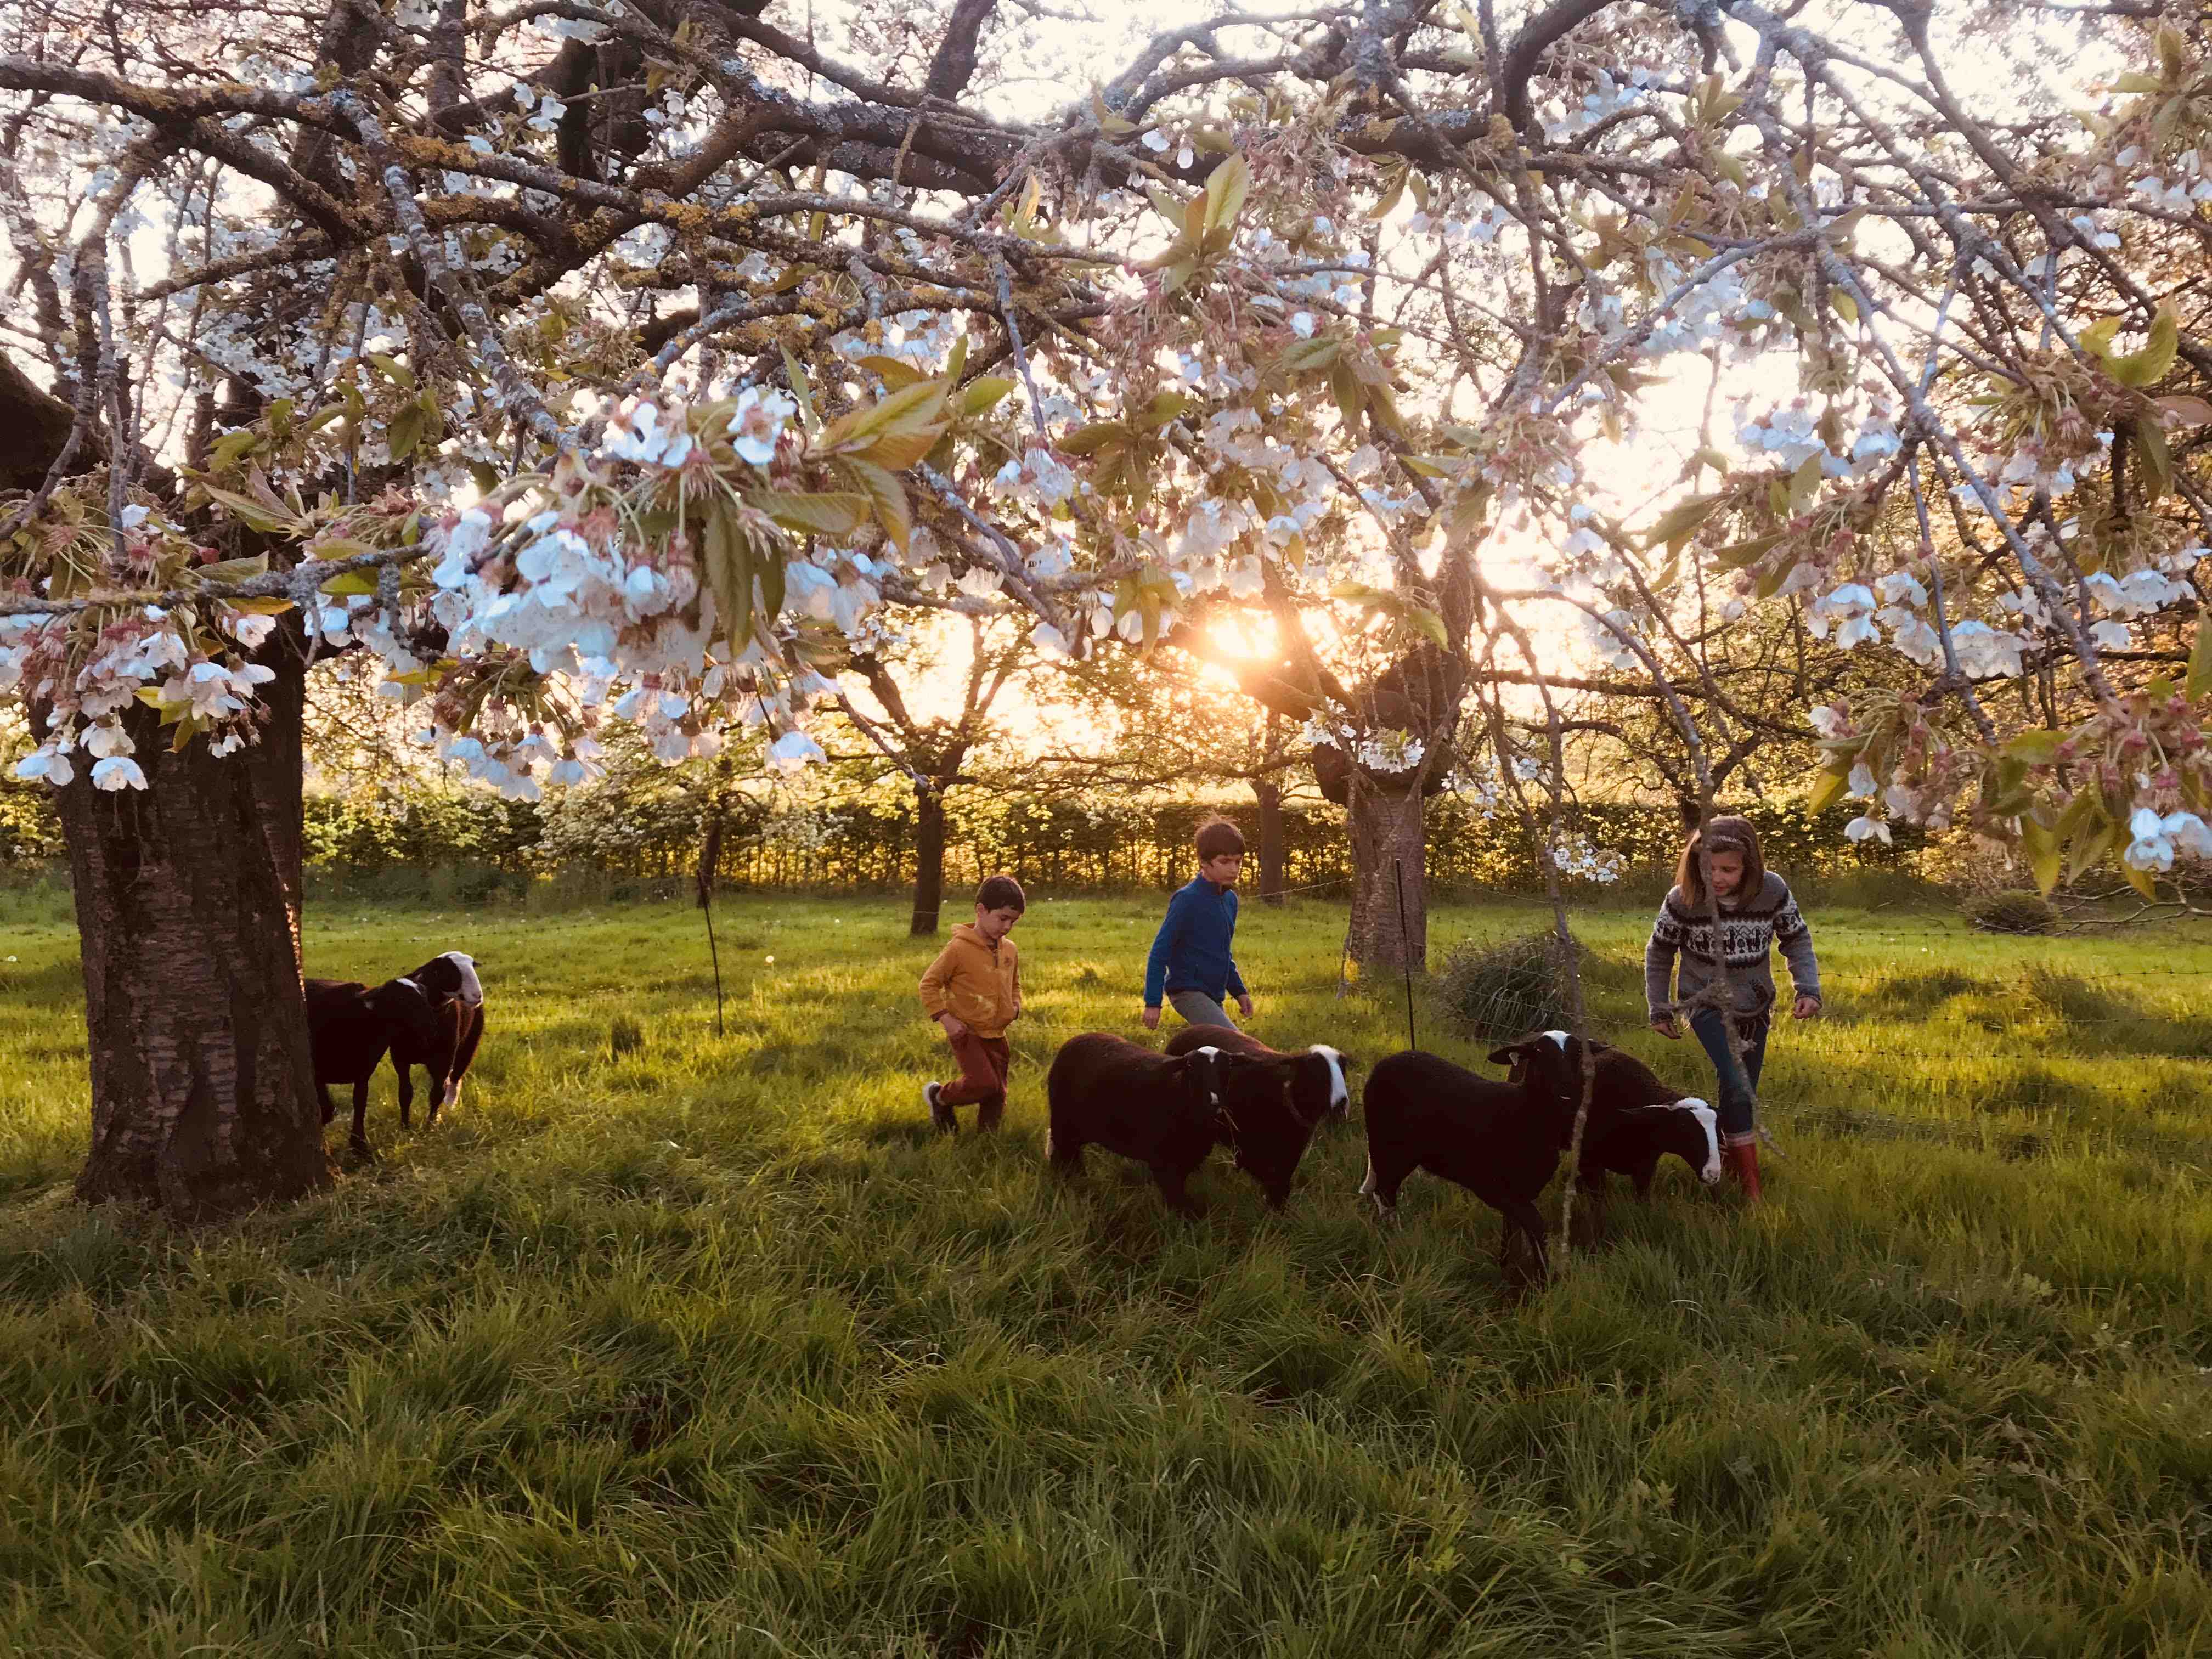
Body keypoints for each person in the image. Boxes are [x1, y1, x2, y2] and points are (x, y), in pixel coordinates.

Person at [1644, 815, 1820, 1201]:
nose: (1717, 877)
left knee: (1740, 1092)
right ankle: (1752, 1190)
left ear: (1750, 866)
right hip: (1703, 1003)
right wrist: (1659, 1007)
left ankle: (1724, 1159)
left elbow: (1797, 938)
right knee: (1739, 1082)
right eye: (1707, 868)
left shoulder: (1772, 891)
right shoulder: (1683, 901)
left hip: (1754, 1006)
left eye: (1728, 869)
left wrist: (1807, 988)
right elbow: (1660, 952)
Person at [919, 874, 1025, 1134]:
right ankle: (940, 1098)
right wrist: (946, 1018)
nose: (1008, 926)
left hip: (998, 1033)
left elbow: (1015, 984)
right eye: (1003, 918)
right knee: (984, 1083)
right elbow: (928, 984)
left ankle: (987, 1142)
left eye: (1013, 921)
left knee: (998, 1093)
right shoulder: (958, 949)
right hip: (967, 1031)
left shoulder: (1010, 949)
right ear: (981, 910)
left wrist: (1016, 1006)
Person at [1142, 819, 1255, 1032]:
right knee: (1234, 1043)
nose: (1234, 869)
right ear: (1204, 862)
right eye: (1225, 861)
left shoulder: (1230, 900)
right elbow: (1159, 952)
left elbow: (1223, 952)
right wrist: (1153, 1003)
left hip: (1214, 995)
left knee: (1214, 1055)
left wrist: (1239, 991)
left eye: (1238, 862)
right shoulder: (1187, 899)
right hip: (1187, 992)